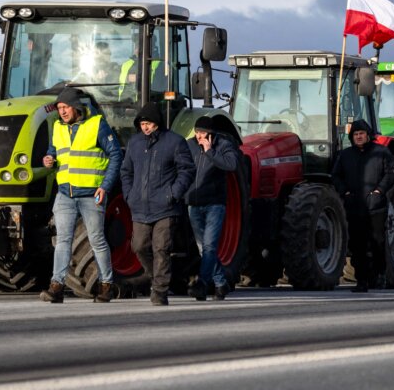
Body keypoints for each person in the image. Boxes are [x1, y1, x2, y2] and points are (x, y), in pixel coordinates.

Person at [39, 87, 123, 304]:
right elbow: (53, 152)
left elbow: (115, 154)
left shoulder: (96, 125)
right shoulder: (57, 127)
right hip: (65, 194)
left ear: (76, 107)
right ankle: (56, 286)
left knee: (97, 240)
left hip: (91, 195)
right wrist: (49, 159)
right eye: (59, 108)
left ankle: (106, 285)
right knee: (63, 242)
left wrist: (105, 186)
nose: (62, 112)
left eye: (65, 107)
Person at [121, 101, 195, 305]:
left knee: (161, 248)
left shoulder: (175, 142)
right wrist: (130, 195)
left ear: (157, 123)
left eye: (149, 123)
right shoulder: (134, 143)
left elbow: (187, 170)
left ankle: (160, 291)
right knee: (139, 246)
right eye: (142, 123)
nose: (145, 127)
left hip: (166, 207)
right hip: (140, 207)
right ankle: (156, 279)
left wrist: (173, 194)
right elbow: (126, 171)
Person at [331, 119, 394, 292]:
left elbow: (391, 173)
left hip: (375, 205)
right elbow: (336, 176)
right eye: (355, 134)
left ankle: (379, 276)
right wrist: (345, 192)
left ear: (368, 135)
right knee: (358, 244)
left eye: (361, 134)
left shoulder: (381, 152)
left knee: (377, 241)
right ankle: (362, 281)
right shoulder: (345, 155)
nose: (359, 137)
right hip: (354, 205)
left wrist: (379, 192)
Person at [185, 115, 244, 300]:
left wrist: (210, 151)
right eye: (197, 132)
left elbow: (231, 164)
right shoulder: (189, 145)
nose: (199, 136)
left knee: (209, 246)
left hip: (214, 204)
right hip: (193, 203)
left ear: (211, 134)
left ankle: (202, 284)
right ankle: (220, 283)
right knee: (203, 248)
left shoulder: (223, 145)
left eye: (203, 133)